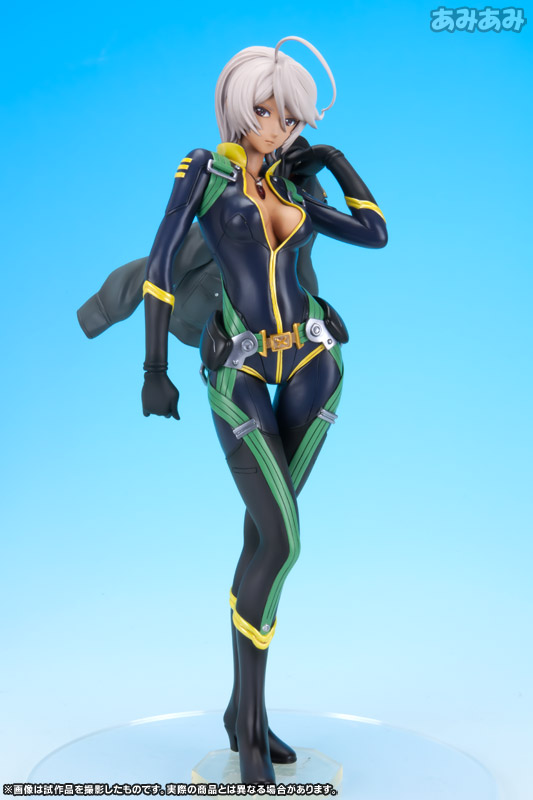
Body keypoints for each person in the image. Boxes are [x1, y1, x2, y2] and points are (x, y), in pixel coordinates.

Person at [139, 37, 387, 784]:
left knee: (263, 537)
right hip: (240, 368)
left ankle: (241, 715)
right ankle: (248, 722)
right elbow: (159, 263)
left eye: (292, 116)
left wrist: (333, 162)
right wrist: (155, 369)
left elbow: (374, 233)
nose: (279, 126)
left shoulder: (296, 184)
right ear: (239, 108)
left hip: (313, 363)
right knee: (280, 541)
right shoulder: (206, 172)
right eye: (268, 111)